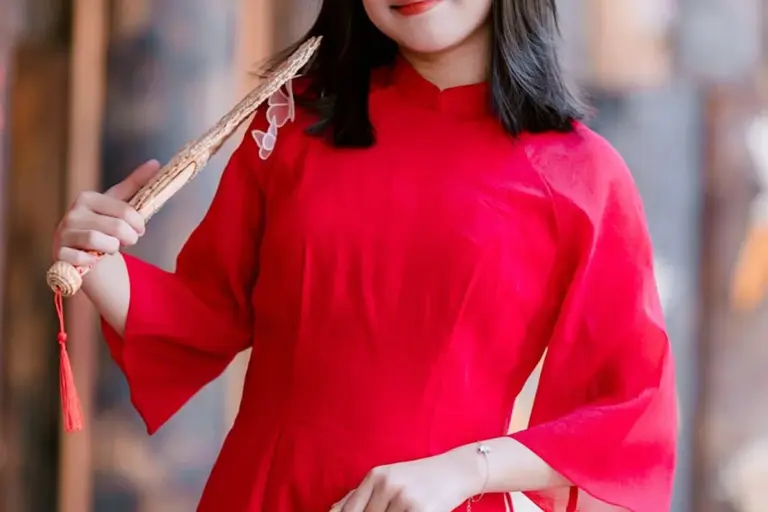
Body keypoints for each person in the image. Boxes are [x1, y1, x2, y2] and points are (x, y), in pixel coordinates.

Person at [52, 0, 678, 510]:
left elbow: (627, 410)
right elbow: (205, 313)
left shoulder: (581, 175)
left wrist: (466, 470)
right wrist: (94, 262)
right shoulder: (296, 119)